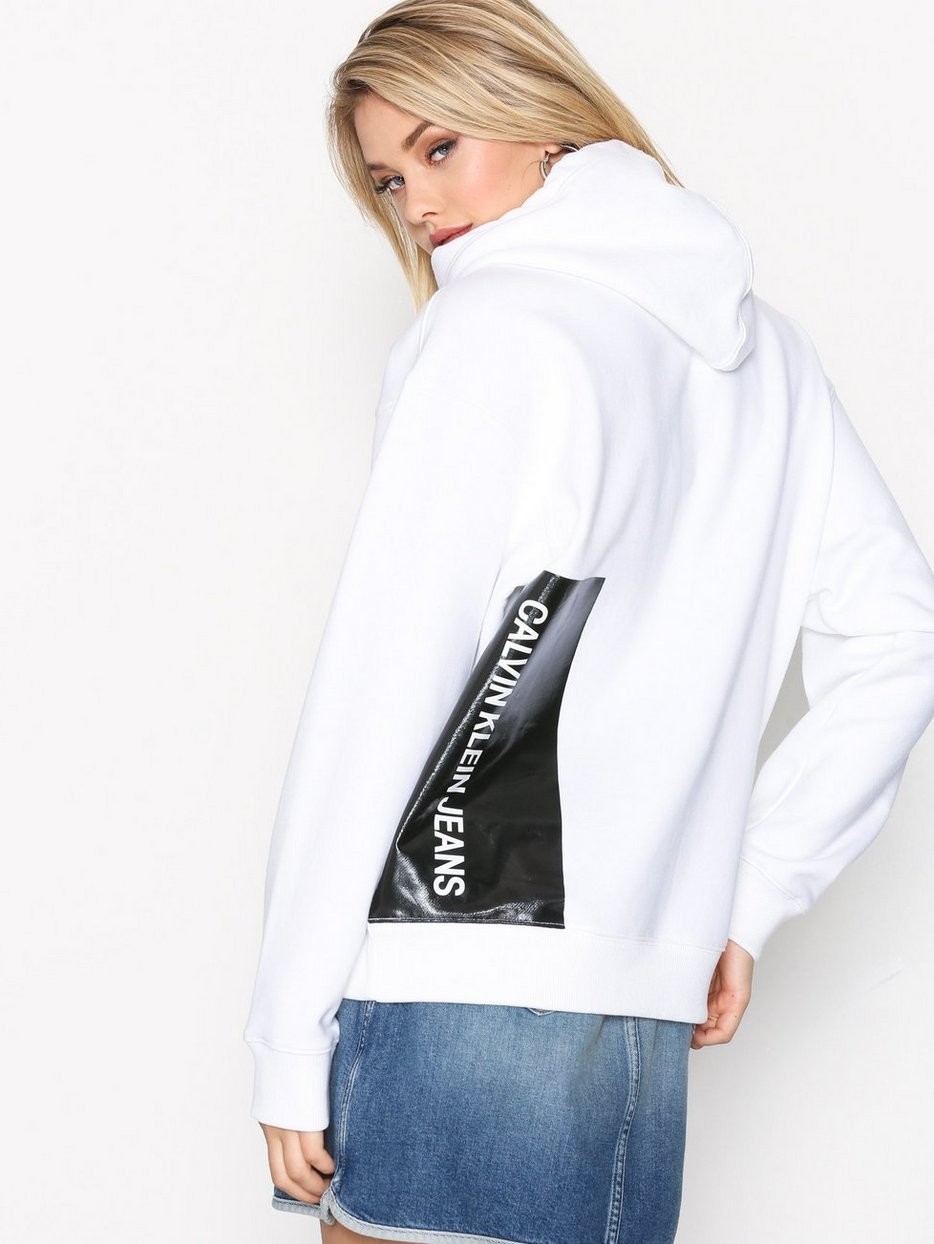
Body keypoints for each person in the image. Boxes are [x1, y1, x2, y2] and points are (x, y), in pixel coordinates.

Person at [241, 2, 934, 1241]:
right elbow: (899, 632)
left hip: (456, 974)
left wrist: (288, 1029)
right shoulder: (764, 354)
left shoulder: (490, 329)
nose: (418, 204)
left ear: (541, 122)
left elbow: (382, 688)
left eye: (439, 147)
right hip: (640, 1012)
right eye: (390, 179)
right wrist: (745, 896)